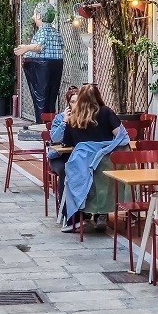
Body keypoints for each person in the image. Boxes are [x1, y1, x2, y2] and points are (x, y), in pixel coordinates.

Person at [58, 85, 128, 233]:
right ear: (99, 97)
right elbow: (121, 135)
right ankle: (101, 214)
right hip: (105, 163)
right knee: (103, 178)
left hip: (81, 165)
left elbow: (66, 143)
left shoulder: (74, 117)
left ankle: (78, 217)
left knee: (71, 176)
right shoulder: (107, 112)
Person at [14, 5, 65, 124]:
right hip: (57, 63)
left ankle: (41, 123)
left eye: (34, 14)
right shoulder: (55, 32)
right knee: (51, 96)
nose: (33, 17)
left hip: (42, 66)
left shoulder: (42, 31)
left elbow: (39, 47)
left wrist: (26, 48)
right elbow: (61, 46)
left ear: (39, 16)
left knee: (41, 96)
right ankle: (50, 122)